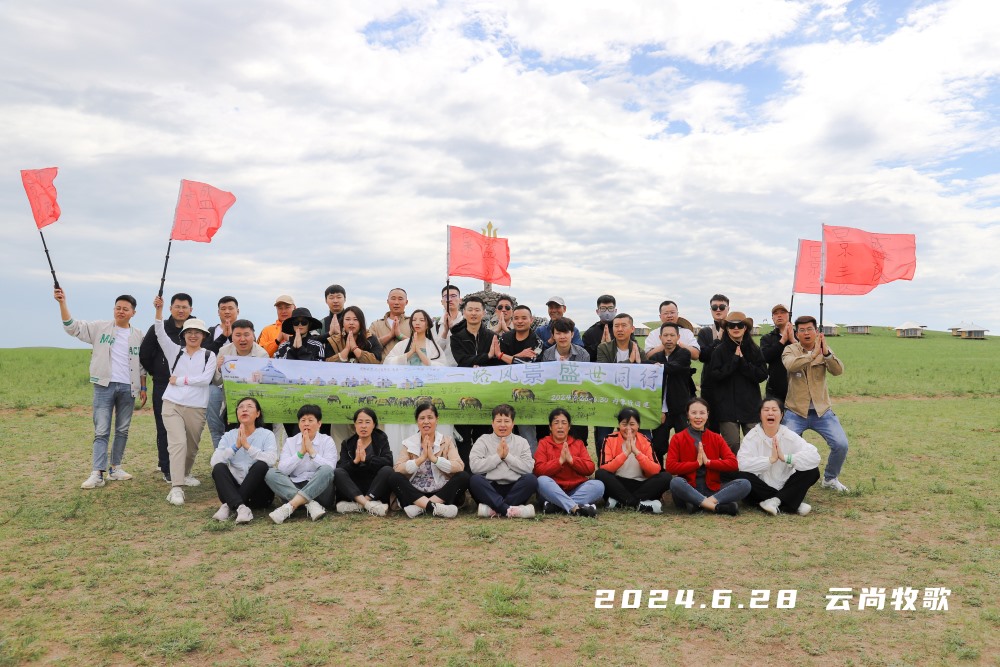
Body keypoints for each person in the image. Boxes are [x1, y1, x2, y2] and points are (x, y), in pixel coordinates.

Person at [56, 288, 146, 489]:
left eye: (125, 309)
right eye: (118, 308)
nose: (120, 311)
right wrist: (62, 302)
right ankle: (97, 472)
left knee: (122, 429)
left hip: (128, 387)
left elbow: (141, 364)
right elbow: (72, 327)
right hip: (104, 385)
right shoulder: (100, 328)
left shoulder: (138, 335)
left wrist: (143, 387)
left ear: (133, 313)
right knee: (102, 430)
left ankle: (115, 468)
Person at [153, 295, 216, 506]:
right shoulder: (174, 351)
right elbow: (160, 333)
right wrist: (159, 310)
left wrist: (179, 380)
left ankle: (185, 473)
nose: (193, 335)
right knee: (178, 444)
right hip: (171, 404)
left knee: (191, 447)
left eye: (197, 332)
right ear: (183, 335)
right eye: (189, 332)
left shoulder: (209, 355)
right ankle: (176, 487)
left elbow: (205, 380)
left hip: (197, 407)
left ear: (203, 336)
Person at [782, 315, 850, 492]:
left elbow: (838, 370)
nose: (806, 333)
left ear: (817, 332)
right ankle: (785, 480)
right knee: (784, 446)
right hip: (795, 411)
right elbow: (791, 366)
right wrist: (812, 355)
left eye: (809, 329)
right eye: (802, 330)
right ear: (796, 334)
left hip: (822, 412)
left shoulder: (824, 350)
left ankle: (830, 478)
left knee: (841, 444)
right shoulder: (790, 350)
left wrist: (826, 353)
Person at [383, 308, 453, 459]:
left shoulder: (434, 347)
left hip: (427, 396)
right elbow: (387, 363)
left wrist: (420, 354)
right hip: (406, 394)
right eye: (414, 320)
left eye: (421, 320)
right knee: (405, 429)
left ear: (427, 324)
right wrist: (409, 354)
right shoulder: (402, 345)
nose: (417, 323)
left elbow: (442, 369)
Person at [139, 291, 195, 482]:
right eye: (177, 306)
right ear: (170, 308)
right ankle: (167, 467)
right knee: (164, 427)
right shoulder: (159, 327)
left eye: (185, 307)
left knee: (187, 428)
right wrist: (159, 372)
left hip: (189, 386)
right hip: (164, 385)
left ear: (191, 309)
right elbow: (145, 354)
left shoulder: (195, 328)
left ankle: (184, 467)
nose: (181, 310)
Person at [736, 397, 821, 516]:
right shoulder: (752, 437)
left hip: (785, 483)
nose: (770, 413)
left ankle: (775, 501)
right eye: (766, 410)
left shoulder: (789, 435)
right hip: (760, 488)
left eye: (774, 410)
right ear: (760, 415)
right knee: (741, 476)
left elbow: (814, 456)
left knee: (813, 471)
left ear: (781, 415)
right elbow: (742, 464)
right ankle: (792, 502)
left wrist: (786, 458)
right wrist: (770, 460)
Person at [665, 398, 750, 515]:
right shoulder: (678, 438)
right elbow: (670, 467)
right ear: (687, 415)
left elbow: (733, 463)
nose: (698, 417)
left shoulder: (716, 438)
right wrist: (696, 464)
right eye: (694, 413)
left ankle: (700, 504)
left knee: (745, 484)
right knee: (676, 483)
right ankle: (716, 507)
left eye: (702, 413)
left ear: (708, 415)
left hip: (713, 489)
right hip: (689, 489)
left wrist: (709, 462)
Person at [388, 403, 470, 518]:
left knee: (464, 476)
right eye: (422, 418)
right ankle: (433, 507)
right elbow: (398, 468)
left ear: (437, 420)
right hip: (415, 493)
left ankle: (419, 508)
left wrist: (434, 459)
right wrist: (421, 459)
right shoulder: (409, 443)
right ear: (417, 422)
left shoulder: (446, 441)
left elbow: (459, 466)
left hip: (441, 492)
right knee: (394, 477)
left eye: (430, 418)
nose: (426, 421)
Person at [705, 311, 767, 455]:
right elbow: (714, 376)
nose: (736, 328)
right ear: (727, 329)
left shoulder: (754, 350)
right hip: (727, 407)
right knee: (732, 444)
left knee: (755, 444)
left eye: (740, 325)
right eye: (732, 326)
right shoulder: (719, 351)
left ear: (745, 328)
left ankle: (753, 474)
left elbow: (762, 375)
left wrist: (743, 363)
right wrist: (733, 362)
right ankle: (733, 474)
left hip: (750, 405)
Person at [449, 296, 502, 462]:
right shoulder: (457, 337)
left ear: (484, 312)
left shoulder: (492, 336)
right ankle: (466, 468)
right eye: (470, 310)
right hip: (464, 391)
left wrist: (483, 362)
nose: (473, 313)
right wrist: (487, 356)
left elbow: (496, 361)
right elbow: (462, 361)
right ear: (464, 312)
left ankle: (483, 467)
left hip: (486, 391)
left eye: (477, 310)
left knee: (484, 431)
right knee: (464, 432)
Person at [265, 404, 338, 523]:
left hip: (321, 491)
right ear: (299, 424)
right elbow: (282, 469)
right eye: (303, 420)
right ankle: (310, 504)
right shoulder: (290, 442)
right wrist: (301, 453)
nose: (306, 424)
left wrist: (312, 452)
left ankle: (292, 505)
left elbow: (330, 469)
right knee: (271, 473)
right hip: (294, 486)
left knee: (326, 469)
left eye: (310, 420)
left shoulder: (327, 441)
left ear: (319, 424)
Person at [209, 397, 277, 523]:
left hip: (260, 495)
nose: (244, 409)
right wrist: (235, 447)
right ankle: (241, 507)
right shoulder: (229, 435)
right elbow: (214, 461)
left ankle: (229, 505)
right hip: (232, 489)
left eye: (249, 406)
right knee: (219, 467)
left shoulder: (267, 434)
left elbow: (271, 459)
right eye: (240, 407)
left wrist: (248, 447)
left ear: (257, 413)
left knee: (261, 465)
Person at [595, 313, 648, 461]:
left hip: (631, 401)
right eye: (616, 326)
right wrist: (629, 362)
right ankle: (604, 470)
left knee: (641, 437)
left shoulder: (639, 351)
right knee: (602, 439)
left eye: (624, 326)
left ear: (632, 329)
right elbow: (605, 373)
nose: (619, 329)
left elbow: (643, 377)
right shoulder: (604, 348)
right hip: (608, 401)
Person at [469, 404, 538, 519]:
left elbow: (528, 468)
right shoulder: (483, 440)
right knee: (474, 480)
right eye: (499, 421)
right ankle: (509, 510)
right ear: (492, 423)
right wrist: (498, 457)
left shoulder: (522, 441)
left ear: (513, 423)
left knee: (531, 480)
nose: (502, 425)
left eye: (506, 421)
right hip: (490, 488)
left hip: (514, 489)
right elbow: (474, 467)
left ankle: (494, 509)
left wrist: (507, 457)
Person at [596, 408, 671, 513]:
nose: (628, 428)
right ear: (618, 425)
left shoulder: (645, 440)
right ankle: (640, 504)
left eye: (632, 424)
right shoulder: (609, 439)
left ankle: (621, 502)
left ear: (638, 425)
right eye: (624, 424)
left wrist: (637, 453)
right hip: (618, 484)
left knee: (666, 477)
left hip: (641, 485)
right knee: (600, 474)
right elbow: (605, 468)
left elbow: (655, 470)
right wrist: (626, 453)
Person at [534, 409, 603, 517]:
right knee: (541, 481)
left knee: (599, 485)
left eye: (564, 423)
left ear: (569, 427)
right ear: (550, 427)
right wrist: (559, 461)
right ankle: (576, 508)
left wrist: (572, 460)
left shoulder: (578, 443)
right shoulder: (544, 443)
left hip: (577, 488)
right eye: (556, 423)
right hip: (553, 490)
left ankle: (557, 506)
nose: (560, 426)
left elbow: (590, 469)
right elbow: (538, 470)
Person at [646, 322, 694, 464]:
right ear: (660, 338)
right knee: (659, 445)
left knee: (685, 442)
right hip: (661, 409)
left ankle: (685, 470)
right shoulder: (656, 357)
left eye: (672, 335)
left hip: (680, 408)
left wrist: (657, 367)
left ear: (678, 337)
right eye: (665, 335)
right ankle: (659, 471)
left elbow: (675, 367)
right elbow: (645, 365)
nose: (668, 339)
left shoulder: (684, 353)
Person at [333, 408, 393, 516]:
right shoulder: (347, 443)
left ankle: (359, 504)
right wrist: (355, 461)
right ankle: (369, 505)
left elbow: (388, 461)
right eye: (360, 422)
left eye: (367, 422)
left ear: (374, 424)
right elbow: (341, 467)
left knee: (387, 470)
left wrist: (368, 460)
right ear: (355, 425)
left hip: (374, 487)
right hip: (354, 486)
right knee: (337, 472)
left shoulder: (381, 439)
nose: (363, 426)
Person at [204, 296, 240, 448]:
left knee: (235, 425)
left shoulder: (243, 330)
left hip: (236, 386)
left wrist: (233, 335)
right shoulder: (210, 332)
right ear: (218, 312)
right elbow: (205, 354)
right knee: (215, 425)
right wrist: (223, 337)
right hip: (214, 385)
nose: (227, 312)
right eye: (223, 309)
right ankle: (219, 457)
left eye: (230, 308)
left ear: (237, 311)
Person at [696, 294, 730, 432]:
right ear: (710, 310)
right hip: (710, 386)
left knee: (730, 429)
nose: (718, 310)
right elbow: (703, 356)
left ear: (728, 308)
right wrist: (718, 340)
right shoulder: (705, 332)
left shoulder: (735, 329)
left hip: (729, 385)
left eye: (722, 307)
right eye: (714, 307)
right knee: (710, 428)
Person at [760, 304, 795, 403]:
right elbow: (765, 357)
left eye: (783, 312)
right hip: (774, 390)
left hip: (797, 389)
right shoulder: (767, 338)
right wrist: (782, 341)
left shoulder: (798, 335)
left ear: (789, 315)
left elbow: (805, 355)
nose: (779, 315)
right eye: (776, 313)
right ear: (772, 318)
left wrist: (792, 340)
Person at [368, 288, 411, 357]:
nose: (396, 302)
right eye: (393, 299)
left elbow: (420, 346)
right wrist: (390, 335)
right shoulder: (376, 325)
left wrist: (399, 335)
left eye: (400, 299)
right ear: (387, 301)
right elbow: (369, 346)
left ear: (406, 302)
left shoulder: (413, 323)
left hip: (406, 366)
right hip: (381, 367)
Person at [582, 294, 618, 362]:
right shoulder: (589, 333)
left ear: (615, 311)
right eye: (603, 308)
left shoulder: (622, 330)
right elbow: (585, 357)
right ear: (597, 311)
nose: (607, 312)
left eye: (610, 308)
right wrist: (600, 345)